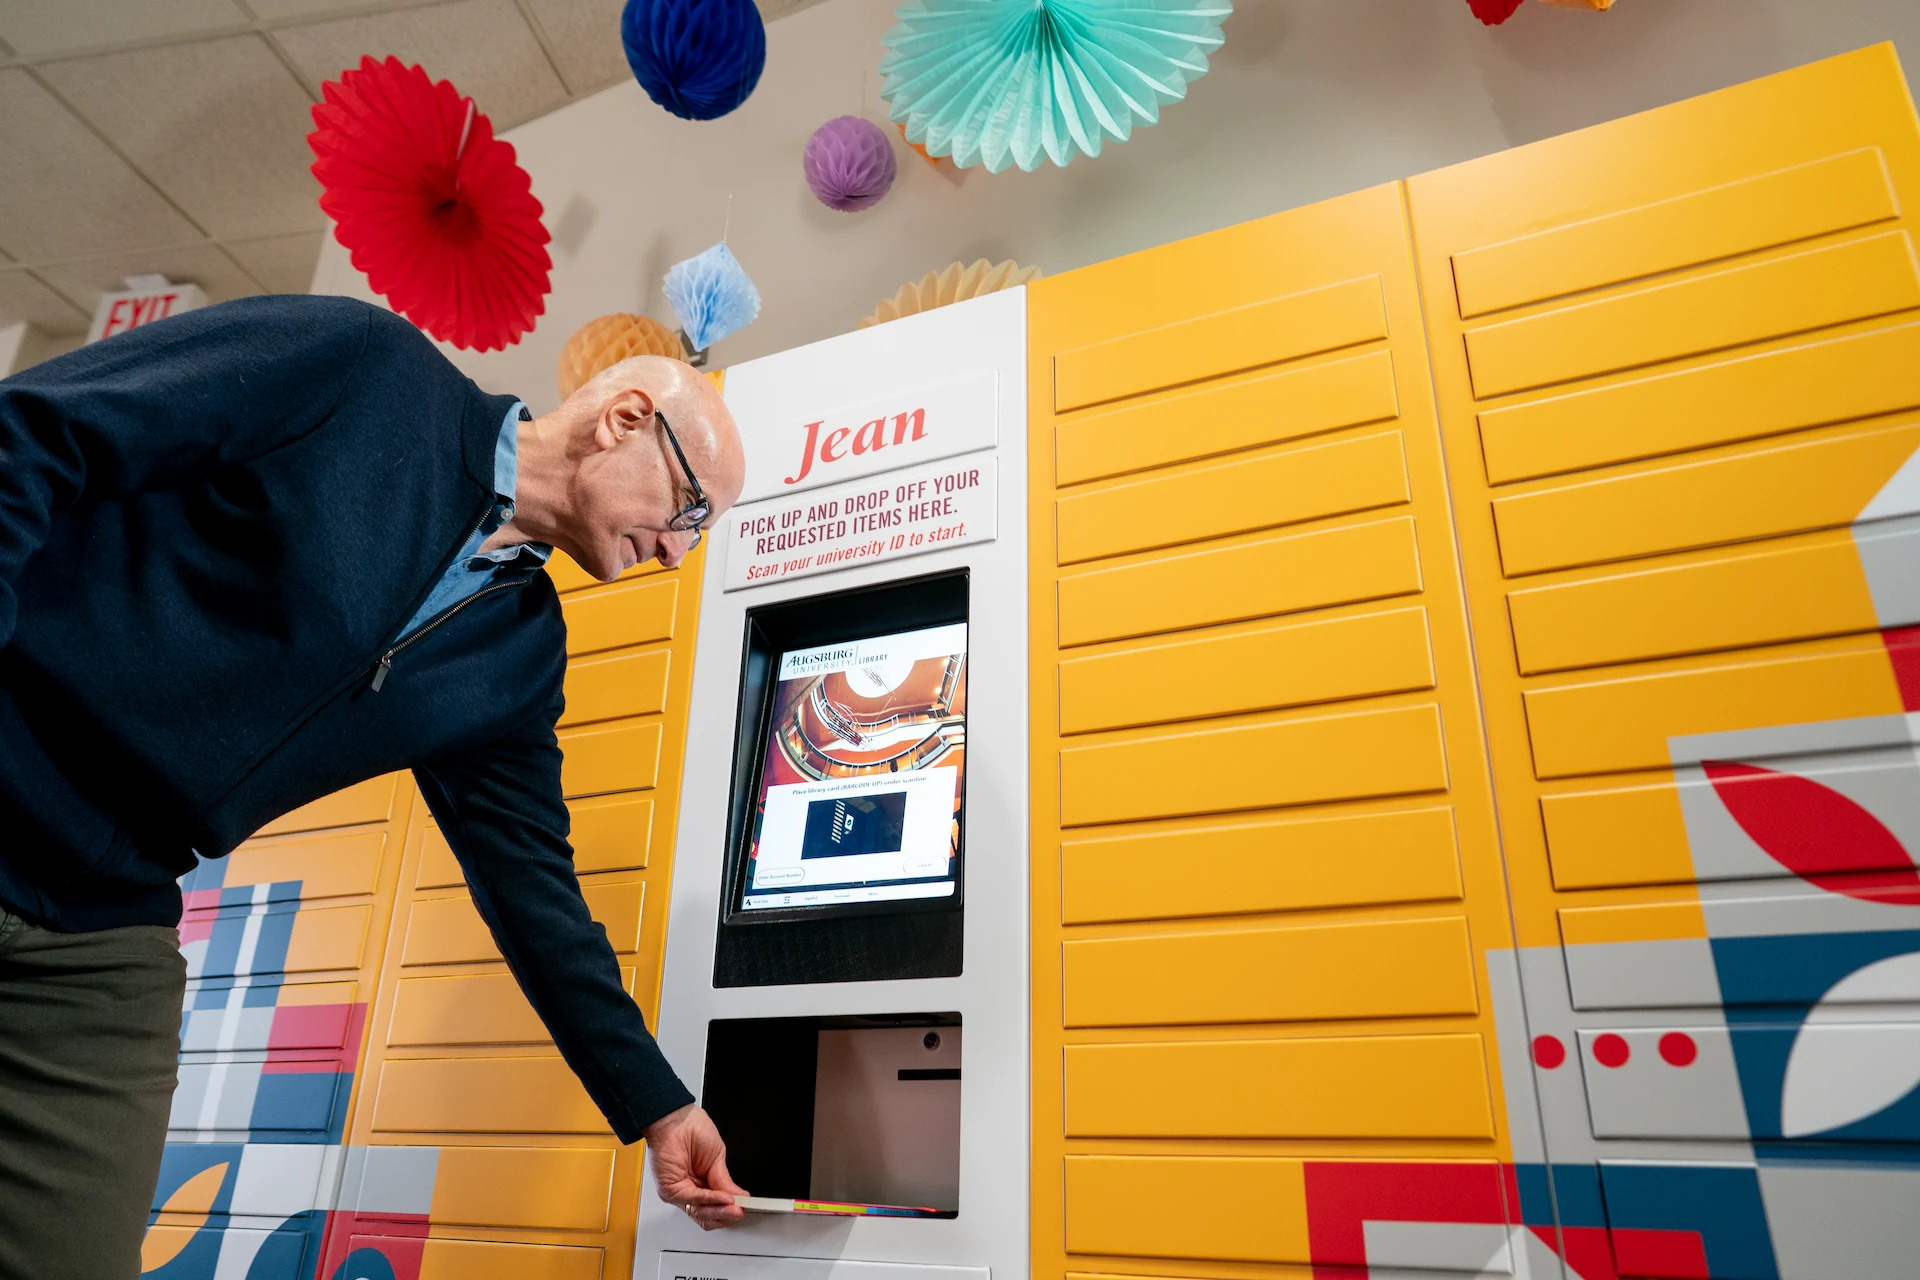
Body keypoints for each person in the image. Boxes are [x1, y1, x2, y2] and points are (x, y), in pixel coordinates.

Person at [0, 295, 751, 1279]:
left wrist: (659, 1103)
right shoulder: (363, 371)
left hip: (103, 911)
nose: (679, 550)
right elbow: (34, 432)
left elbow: (537, 897)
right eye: (689, 511)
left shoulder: (519, 653)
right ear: (623, 420)